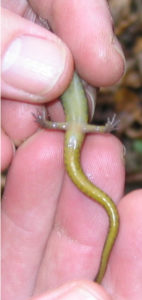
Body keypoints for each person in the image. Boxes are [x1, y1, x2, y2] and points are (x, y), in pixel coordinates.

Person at [1, 1, 142, 299]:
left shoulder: (70, 131)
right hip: (74, 127)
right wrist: (98, 128)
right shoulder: (72, 130)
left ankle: (100, 271)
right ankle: (98, 271)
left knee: (109, 205)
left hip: (71, 127)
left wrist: (56, 125)